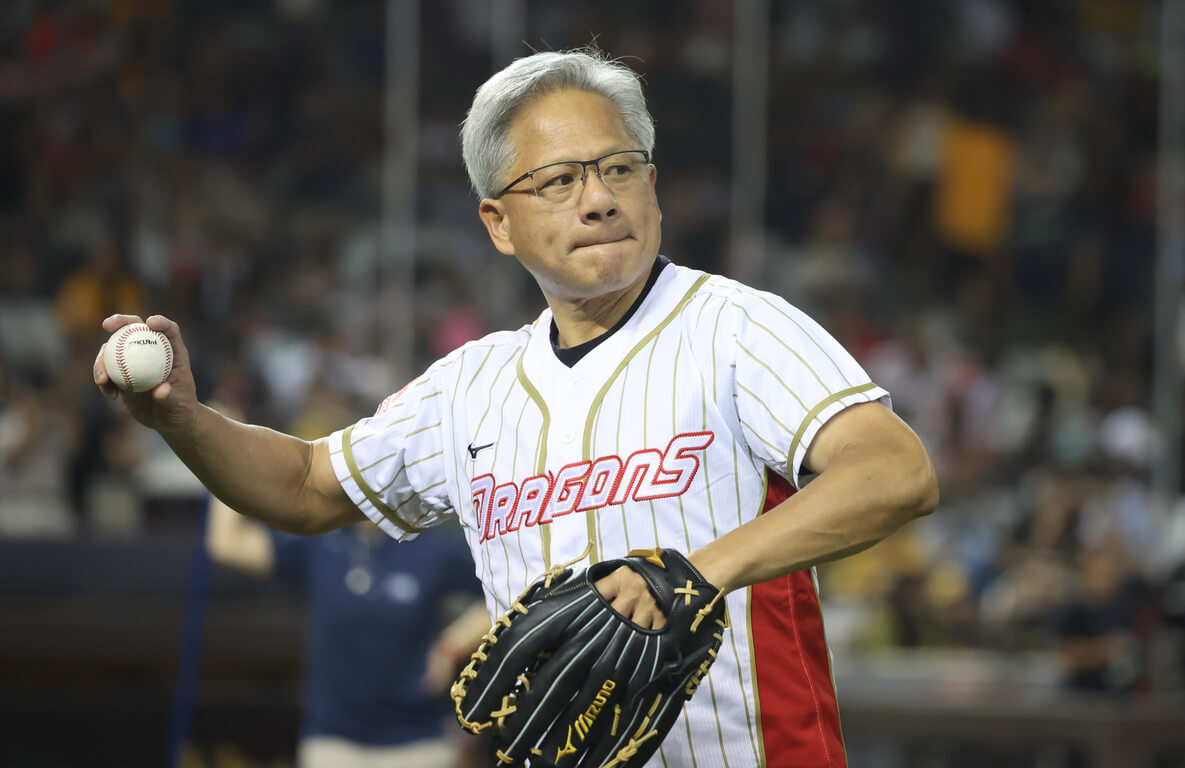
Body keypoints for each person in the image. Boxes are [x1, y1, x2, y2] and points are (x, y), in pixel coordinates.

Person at [95, 47, 940, 767]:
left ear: (652, 186)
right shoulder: (471, 385)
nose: (598, 198)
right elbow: (306, 485)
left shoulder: (735, 327)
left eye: (618, 169)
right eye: (560, 180)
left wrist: (695, 574)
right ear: (498, 223)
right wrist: (185, 421)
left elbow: (894, 471)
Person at [206, 484, 487, 767]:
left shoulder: (430, 548)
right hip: (334, 743)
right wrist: (228, 461)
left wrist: (452, 645)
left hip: (418, 742)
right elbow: (227, 543)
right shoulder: (320, 543)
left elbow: (501, 592)